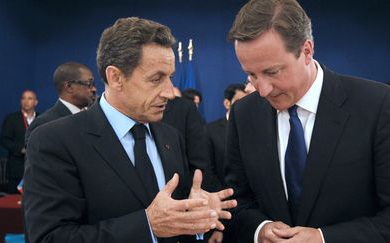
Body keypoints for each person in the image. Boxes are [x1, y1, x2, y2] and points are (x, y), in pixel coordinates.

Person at [225, 0, 390, 242]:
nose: (262, 90)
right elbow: (238, 203)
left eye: (272, 72)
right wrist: (260, 229)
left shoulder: (379, 106)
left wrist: (324, 238)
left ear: (307, 51)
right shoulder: (244, 114)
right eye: (250, 74)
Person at [23, 17, 236, 243]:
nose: (169, 91)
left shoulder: (170, 136)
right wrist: (147, 226)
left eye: (170, 78)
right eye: (156, 79)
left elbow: (171, 220)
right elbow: (50, 238)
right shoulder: (54, 140)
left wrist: (191, 213)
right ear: (115, 77)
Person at [205, 83, 246, 243]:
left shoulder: (258, 130)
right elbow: (208, 173)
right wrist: (218, 224)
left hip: (254, 219)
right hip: (224, 216)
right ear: (227, 103)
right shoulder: (210, 131)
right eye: (239, 101)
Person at [25, 62, 97, 145]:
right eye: (89, 84)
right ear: (69, 87)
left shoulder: (94, 117)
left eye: (94, 84)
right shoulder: (43, 124)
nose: (94, 89)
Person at [0, 90, 38, 193]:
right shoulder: (11, 118)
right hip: (16, 169)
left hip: (36, 169)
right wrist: (20, 149)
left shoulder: (41, 119)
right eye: (23, 98)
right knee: (14, 204)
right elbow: (4, 139)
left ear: (36, 102)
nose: (26, 101)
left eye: (30, 98)